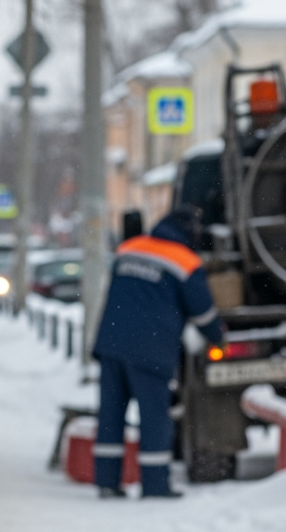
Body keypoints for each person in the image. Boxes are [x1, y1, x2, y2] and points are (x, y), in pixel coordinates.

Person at [91, 207, 226, 499]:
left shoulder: (128, 248)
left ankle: (106, 482)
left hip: (111, 344)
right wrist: (218, 336)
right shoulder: (185, 262)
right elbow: (202, 312)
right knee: (154, 418)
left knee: (111, 414)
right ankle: (155, 485)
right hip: (149, 351)